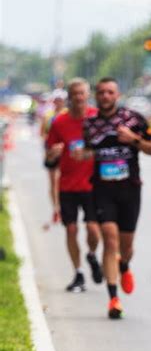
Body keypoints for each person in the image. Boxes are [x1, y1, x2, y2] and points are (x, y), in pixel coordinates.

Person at [82, 78, 151, 319]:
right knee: (110, 240)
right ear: (96, 95)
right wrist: (79, 154)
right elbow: (85, 151)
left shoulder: (134, 120)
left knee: (126, 247)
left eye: (110, 92)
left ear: (118, 94)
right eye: (101, 92)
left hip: (129, 190)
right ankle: (113, 299)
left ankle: (124, 265)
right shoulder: (89, 124)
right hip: (102, 191)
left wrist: (134, 140)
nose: (105, 96)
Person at [45, 78, 102, 292]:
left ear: (87, 95)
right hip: (68, 184)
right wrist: (54, 152)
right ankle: (78, 273)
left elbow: (108, 147)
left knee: (93, 230)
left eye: (82, 93)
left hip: (93, 184)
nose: (78, 97)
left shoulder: (97, 117)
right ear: (69, 97)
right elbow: (49, 153)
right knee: (70, 229)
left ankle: (91, 255)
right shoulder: (59, 122)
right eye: (74, 94)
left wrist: (90, 153)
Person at [42, 89, 68, 224]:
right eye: (56, 100)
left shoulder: (68, 115)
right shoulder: (48, 115)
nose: (58, 102)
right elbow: (43, 133)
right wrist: (49, 148)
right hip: (51, 151)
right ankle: (55, 209)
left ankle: (62, 207)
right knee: (53, 182)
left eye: (61, 100)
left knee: (60, 181)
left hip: (64, 151)